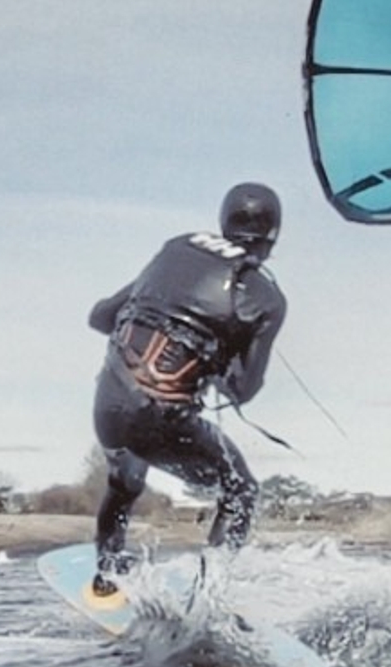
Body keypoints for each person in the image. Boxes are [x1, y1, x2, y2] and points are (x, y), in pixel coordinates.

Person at [84, 181, 288, 594]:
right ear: (272, 236)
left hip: (107, 406)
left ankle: (106, 575)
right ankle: (206, 598)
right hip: (161, 419)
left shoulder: (177, 248)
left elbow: (101, 318)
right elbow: (243, 390)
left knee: (125, 477)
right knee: (241, 490)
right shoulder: (266, 297)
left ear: (223, 221)